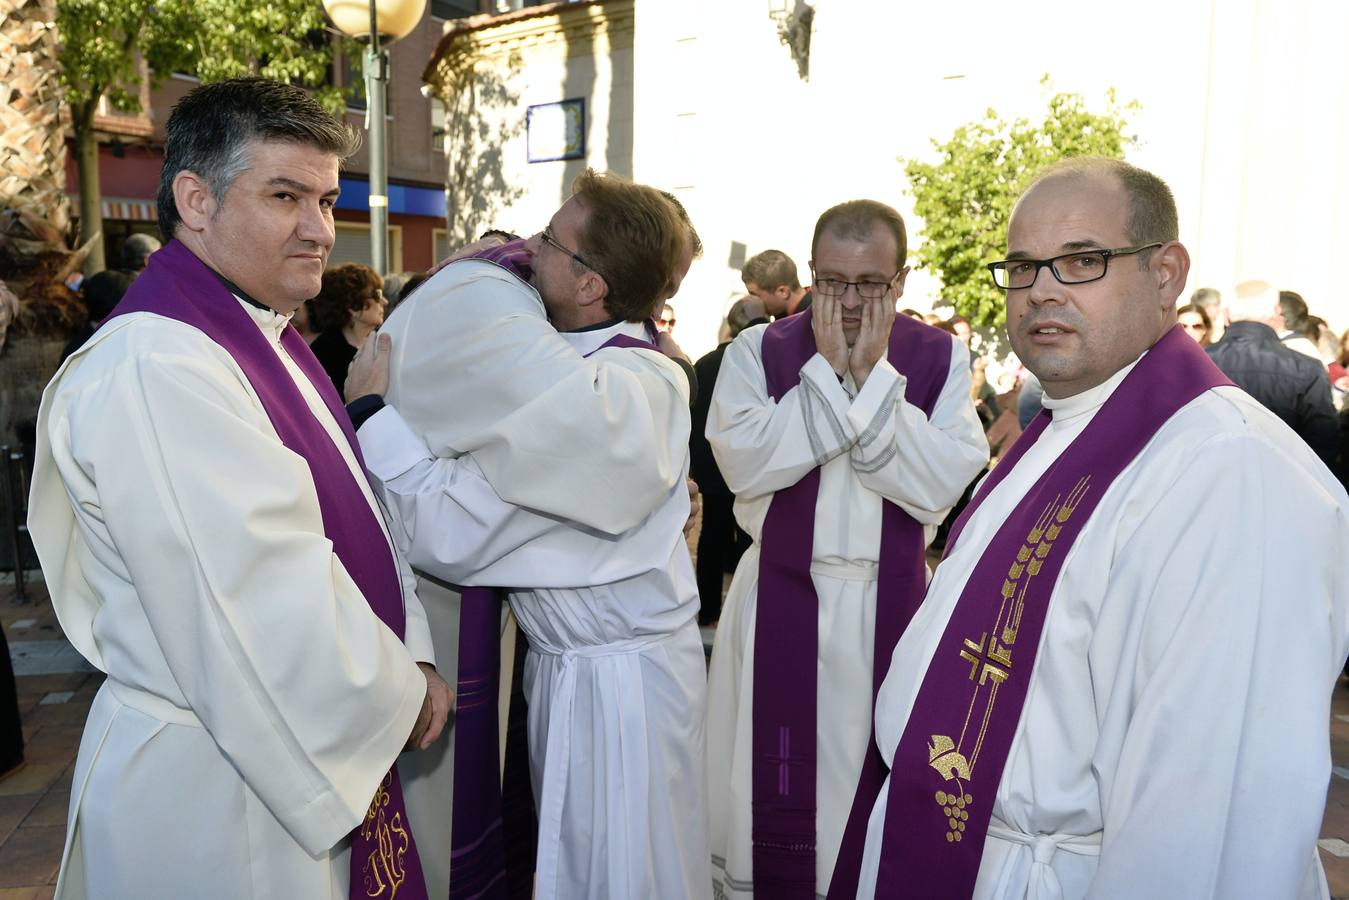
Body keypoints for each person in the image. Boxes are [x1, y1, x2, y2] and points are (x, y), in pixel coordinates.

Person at [846, 157, 1349, 900]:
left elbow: (1210, 811)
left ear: (1165, 273)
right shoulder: (1057, 432)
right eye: (1021, 267)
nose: (1041, 289)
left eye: (1082, 260)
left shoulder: (1231, 471)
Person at [26, 77, 451, 900]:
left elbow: (359, 520)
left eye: (327, 200)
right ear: (195, 199)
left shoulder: (263, 335)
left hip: (271, 748)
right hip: (219, 790)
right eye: (286, 196)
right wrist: (400, 688)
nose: (321, 230)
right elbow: (252, 595)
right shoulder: (159, 363)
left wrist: (414, 647)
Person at [348, 170, 710, 900]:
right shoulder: (567, 365)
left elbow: (458, 527)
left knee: (628, 874)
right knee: (579, 863)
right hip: (575, 670)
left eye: (549, 240)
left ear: (590, 287)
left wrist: (370, 419)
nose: (526, 249)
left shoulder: (620, 400)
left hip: (622, 690)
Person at [705, 199, 989, 898]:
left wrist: (869, 384)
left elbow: (938, 484)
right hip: (775, 599)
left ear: (901, 278)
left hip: (885, 606)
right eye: (833, 282)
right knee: (767, 794)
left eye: (871, 283)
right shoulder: (758, 351)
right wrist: (832, 377)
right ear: (810, 274)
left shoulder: (938, 356)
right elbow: (745, 466)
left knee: (876, 789)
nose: (852, 301)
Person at [1206, 280, 1338, 467]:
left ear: (1226, 315)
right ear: (1276, 314)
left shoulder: (1196, 362)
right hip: (1285, 480)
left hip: (1211, 478)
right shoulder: (1306, 367)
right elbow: (1323, 442)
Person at [690, 296, 763, 626]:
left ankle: (708, 610)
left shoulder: (704, 364)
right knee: (750, 538)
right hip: (746, 465)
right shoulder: (758, 360)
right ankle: (744, 615)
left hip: (710, 465)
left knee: (712, 536)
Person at [310, 262, 387, 391]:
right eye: (377, 295)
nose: (385, 302)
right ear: (353, 306)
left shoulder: (378, 342)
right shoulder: (324, 355)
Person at [742, 248, 813, 317]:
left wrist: (757, 320)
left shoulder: (813, 317)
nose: (751, 301)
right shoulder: (784, 314)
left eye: (755, 295)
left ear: (783, 292)